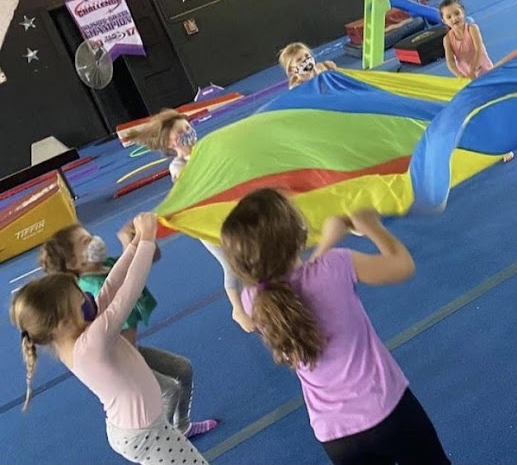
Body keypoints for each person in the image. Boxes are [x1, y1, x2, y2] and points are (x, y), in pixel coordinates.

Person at [219, 190, 450, 465]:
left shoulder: (255, 299)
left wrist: (329, 240)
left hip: (335, 435)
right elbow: (402, 265)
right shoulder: (335, 266)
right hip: (387, 411)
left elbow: (299, 280)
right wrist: (371, 226)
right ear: (299, 235)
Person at [11, 213, 209, 465]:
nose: (91, 300)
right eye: (83, 302)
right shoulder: (90, 344)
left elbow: (111, 286)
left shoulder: (80, 329)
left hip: (145, 426)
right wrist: (147, 240)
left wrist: (135, 245)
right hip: (145, 435)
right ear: (64, 323)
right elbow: (128, 292)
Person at [122, 110, 253, 332]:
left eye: (187, 128)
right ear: (169, 143)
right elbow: (191, 185)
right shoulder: (177, 166)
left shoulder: (206, 148)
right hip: (204, 222)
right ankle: (238, 309)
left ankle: (258, 293)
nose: (187, 133)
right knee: (231, 264)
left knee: (250, 253)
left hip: (229, 212)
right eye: (180, 132)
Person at [440, 0, 493, 79]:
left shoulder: (472, 28)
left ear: (463, 12)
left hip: (484, 70)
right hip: (466, 75)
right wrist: (461, 75)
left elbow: (479, 50)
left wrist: (473, 71)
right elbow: (450, 62)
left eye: (457, 13)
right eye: (449, 17)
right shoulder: (447, 39)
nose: (454, 19)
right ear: (444, 21)